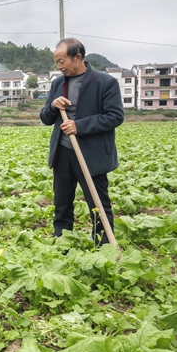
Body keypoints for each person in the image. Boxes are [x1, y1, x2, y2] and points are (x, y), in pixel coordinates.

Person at [40, 38, 124, 245]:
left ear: (78, 57)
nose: (59, 67)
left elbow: (115, 116)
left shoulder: (105, 82)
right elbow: (45, 118)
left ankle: (104, 247)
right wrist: (52, 105)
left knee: (98, 203)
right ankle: (62, 244)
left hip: (91, 154)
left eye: (62, 61)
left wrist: (80, 126)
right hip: (63, 153)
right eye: (56, 62)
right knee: (62, 204)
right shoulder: (58, 83)